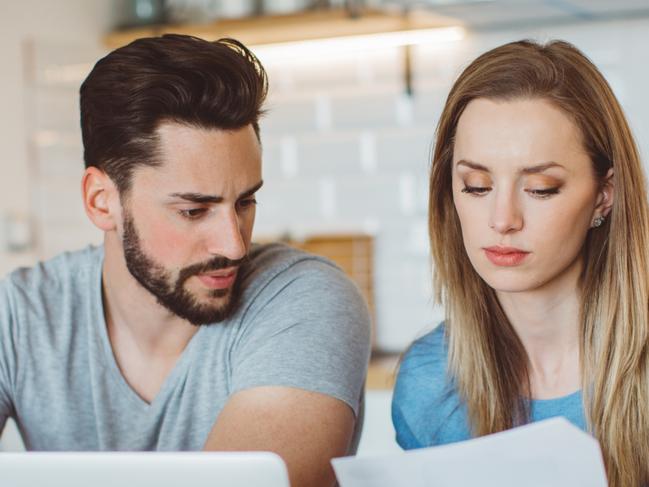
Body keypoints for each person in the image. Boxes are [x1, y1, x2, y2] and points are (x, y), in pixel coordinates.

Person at [0, 34, 371, 487]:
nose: (234, 245)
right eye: (193, 211)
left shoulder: (305, 300)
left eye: (245, 202)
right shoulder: (18, 316)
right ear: (102, 202)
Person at [392, 39, 649, 487]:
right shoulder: (429, 381)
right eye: (476, 185)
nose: (503, 220)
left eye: (541, 188)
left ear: (603, 196)